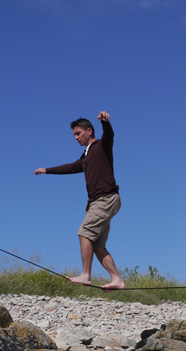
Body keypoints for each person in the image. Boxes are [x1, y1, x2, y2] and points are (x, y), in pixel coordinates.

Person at [35, 111, 125, 291]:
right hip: (97, 202)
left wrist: (105, 123)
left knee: (84, 233)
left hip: (105, 198)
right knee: (97, 245)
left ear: (89, 131)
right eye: (74, 135)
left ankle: (86, 275)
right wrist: (47, 170)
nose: (76, 137)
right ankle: (117, 280)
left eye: (78, 133)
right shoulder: (85, 157)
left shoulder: (101, 146)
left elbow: (110, 135)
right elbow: (69, 167)